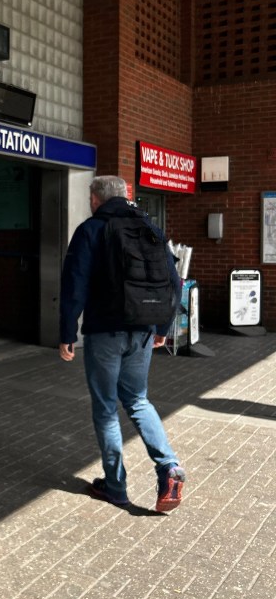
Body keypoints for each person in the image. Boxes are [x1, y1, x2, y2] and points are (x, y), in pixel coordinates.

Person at [58, 176, 185, 512]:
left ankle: (115, 487)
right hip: (143, 330)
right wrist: (162, 327)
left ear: (97, 198)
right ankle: (169, 468)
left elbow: (74, 284)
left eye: (90, 196)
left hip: (105, 332)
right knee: (138, 400)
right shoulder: (151, 229)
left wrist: (67, 333)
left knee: (105, 407)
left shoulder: (91, 229)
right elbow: (175, 281)